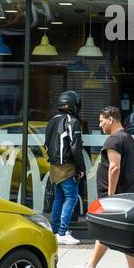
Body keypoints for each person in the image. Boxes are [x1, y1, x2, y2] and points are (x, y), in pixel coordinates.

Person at [76, 106, 134, 268]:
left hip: (115, 196)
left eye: (101, 121)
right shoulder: (127, 138)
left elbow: (114, 167)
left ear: (111, 119)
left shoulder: (114, 140)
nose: (100, 125)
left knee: (120, 233)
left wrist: (111, 195)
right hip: (125, 193)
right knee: (106, 230)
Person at [44, 91, 87, 246]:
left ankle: (55, 231)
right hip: (67, 166)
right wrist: (81, 167)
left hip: (54, 166)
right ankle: (62, 232)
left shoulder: (53, 120)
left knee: (58, 197)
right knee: (71, 198)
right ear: (74, 104)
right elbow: (76, 147)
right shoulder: (72, 121)